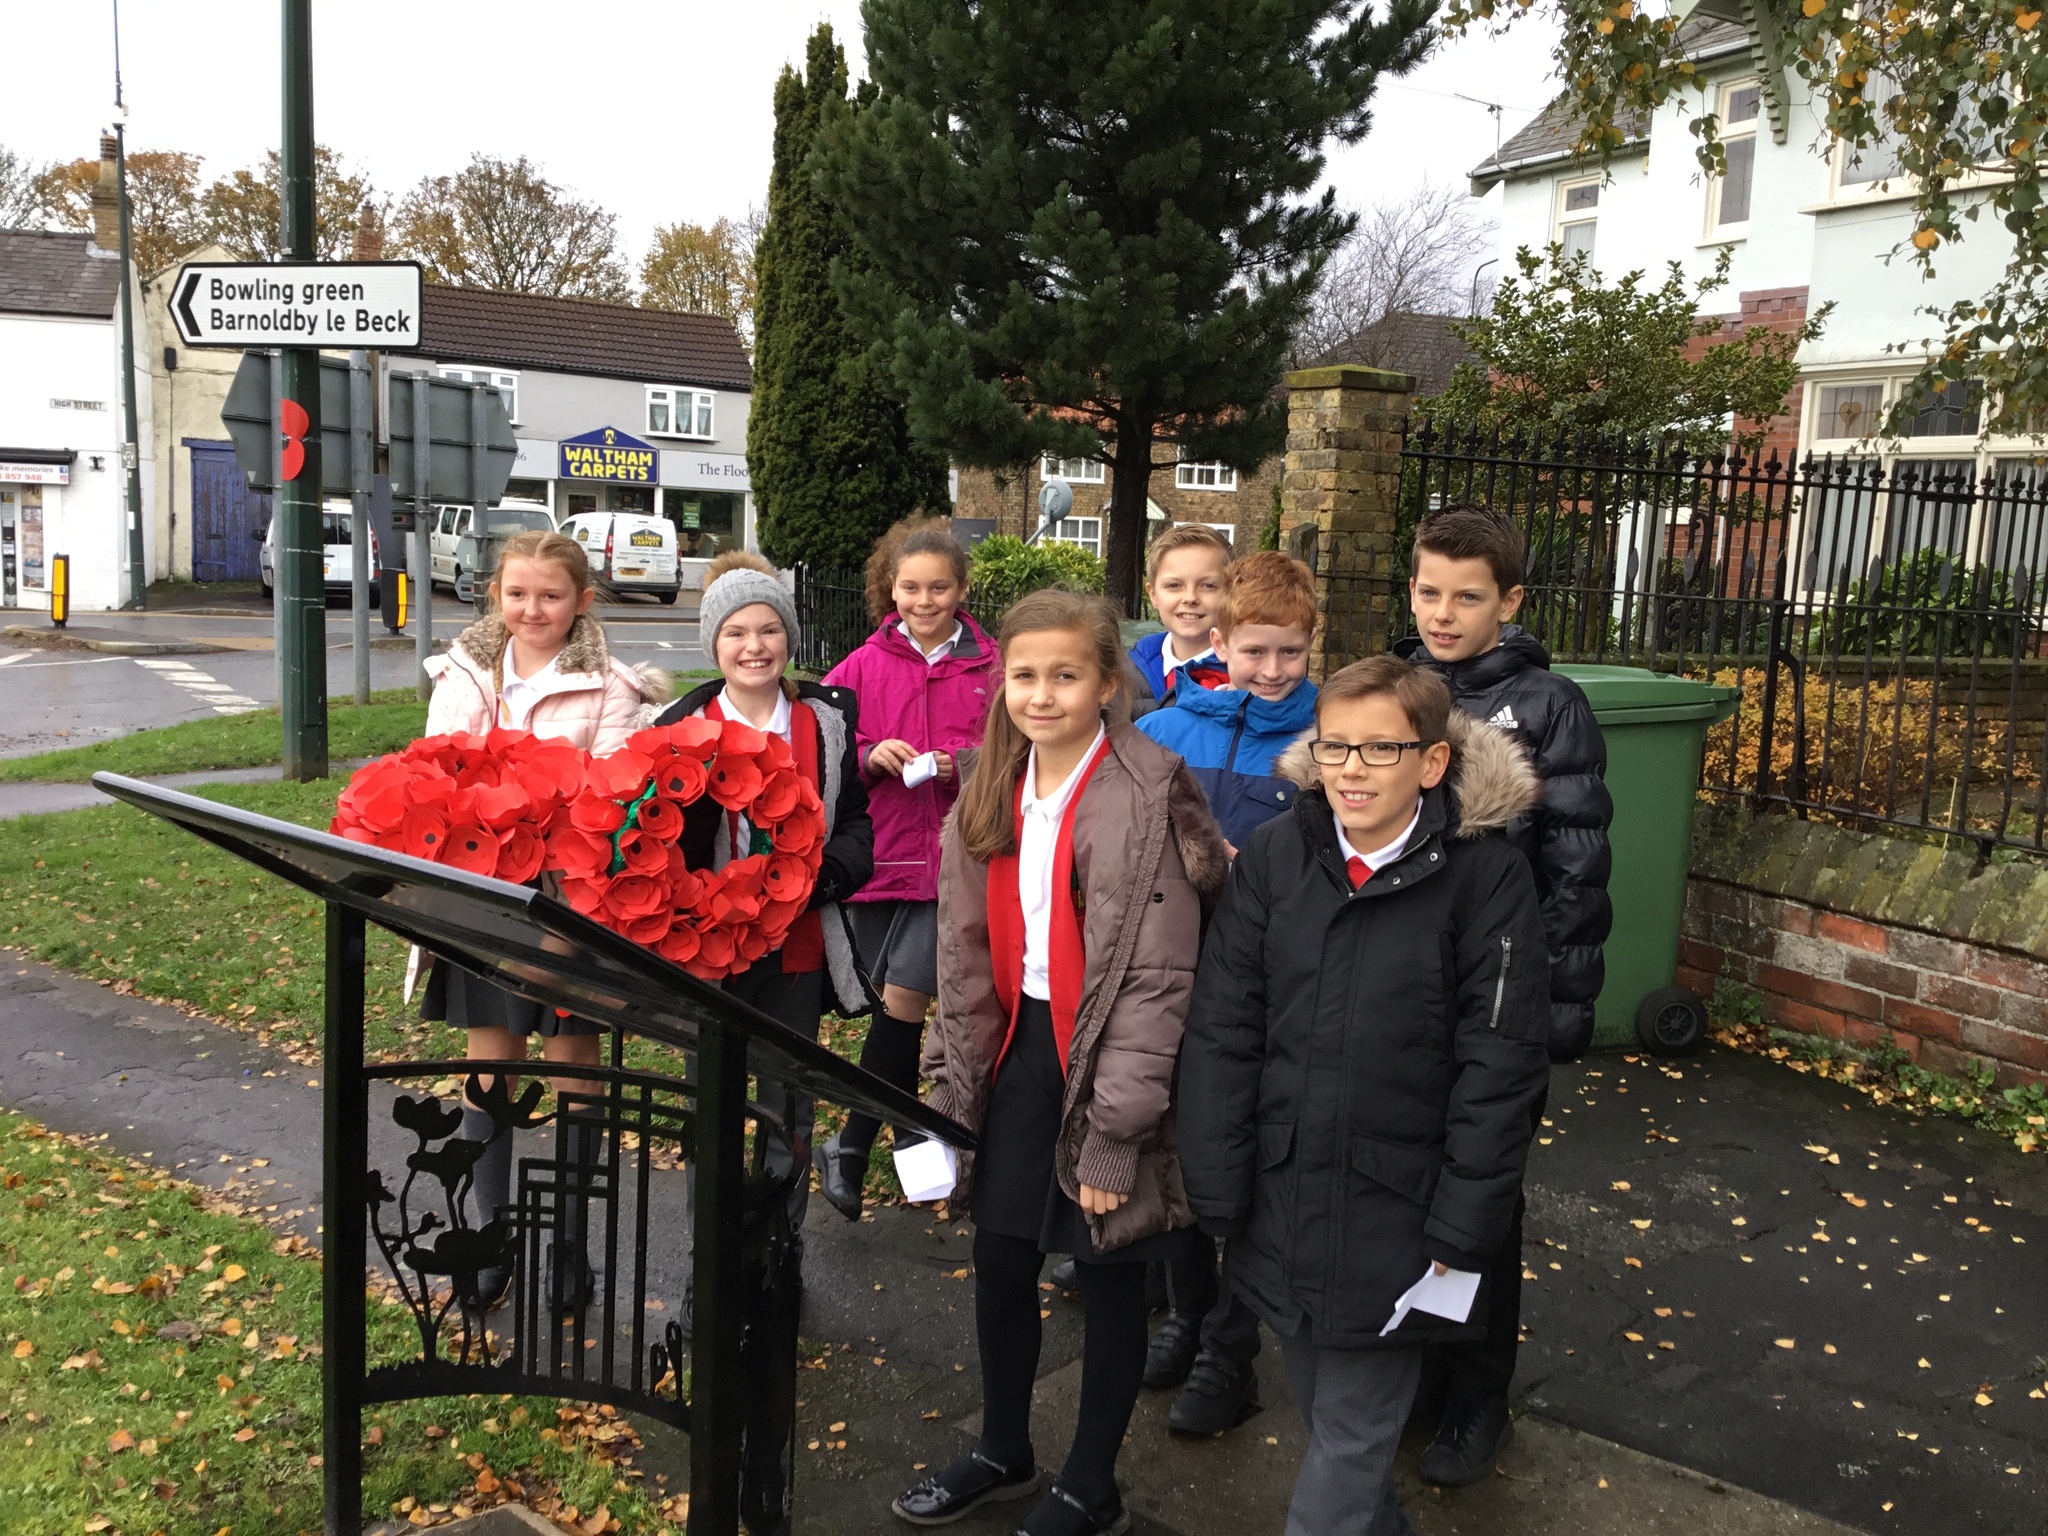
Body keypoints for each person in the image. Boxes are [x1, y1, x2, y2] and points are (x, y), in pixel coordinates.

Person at [1179, 656, 1551, 1536]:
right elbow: (1226, 1025)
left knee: (1347, 1444)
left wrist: (1464, 1225)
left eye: (1380, 749)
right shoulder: (1277, 855)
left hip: (1402, 1212)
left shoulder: (1486, 878)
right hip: (1285, 1192)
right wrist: (1218, 1178)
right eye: (1335, 746)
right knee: (1327, 1416)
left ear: (1431, 762)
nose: (1351, 768)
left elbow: (1500, 1067)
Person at [892, 588, 1229, 1536]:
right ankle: (1005, 1446)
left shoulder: (1147, 791)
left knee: (1107, 1266)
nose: (1042, 695)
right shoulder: (990, 784)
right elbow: (961, 948)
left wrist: (1117, 1134)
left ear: (1107, 682)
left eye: (1066, 676)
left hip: (1114, 1054)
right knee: (1001, 1258)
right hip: (1021, 1046)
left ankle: (1090, 1483)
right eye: (1025, 676)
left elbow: (1158, 979)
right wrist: (950, 1083)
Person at [1394, 507, 1613, 1485]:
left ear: (1510, 600)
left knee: (1480, 1195)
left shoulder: (1548, 704)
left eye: (1467, 596)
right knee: (1406, 1186)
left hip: (1496, 993)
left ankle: (1479, 1396)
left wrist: (1557, 1002)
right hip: (1403, 986)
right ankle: (1422, 1371)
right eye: (1428, 591)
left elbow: (1576, 864)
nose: (1443, 614)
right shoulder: (1395, 687)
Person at [418, 529, 670, 1311]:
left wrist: (544, 825)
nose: (534, 609)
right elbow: (436, 771)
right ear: (495, 594)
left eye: (551, 595)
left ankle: (567, 1243)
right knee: (489, 1065)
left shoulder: (612, 687)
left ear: (581, 602)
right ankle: (489, 1234)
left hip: (568, 903)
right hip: (482, 896)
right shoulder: (462, 671)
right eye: (519, 593)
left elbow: (612, 799)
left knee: (573, 1070)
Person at [1130, 550, 1318, 1431]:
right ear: (1221, 640)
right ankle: (1188, 1309)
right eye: (1255, 651)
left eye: (1291, 652)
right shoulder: (1166, 731)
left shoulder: (1328, 740)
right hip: (1176, 971)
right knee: (1171, 1144)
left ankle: (1229, 1349)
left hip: (1273, 985)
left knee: (1245, 1156)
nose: (1273, 671)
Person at [650, 550, 875, 1243]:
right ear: (714, 644)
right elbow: (651, 841)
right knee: (711, 1100)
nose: (755, 646)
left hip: (795, 945)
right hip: (708, 947)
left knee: (789, 1101)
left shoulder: (825, 723)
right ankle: (713, 1251)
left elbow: (856, 822)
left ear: (789, 637)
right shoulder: (677, 728)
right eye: (736, 633)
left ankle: (779, 1247)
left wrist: (822, 878)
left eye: (769, 629)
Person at [812, 518, 997, 1218]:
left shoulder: (993, 667)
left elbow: (1017, 751)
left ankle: (854, 1145)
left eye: (939, 587)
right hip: (882, 858)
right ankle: (903, 1145)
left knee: (907, 1001)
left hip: (957, 858)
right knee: (896, 1011)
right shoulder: (860, 665)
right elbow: (823, 740)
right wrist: (868, 754)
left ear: (962, 589)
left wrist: (963, 764)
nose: (924, 601)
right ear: (891, 589)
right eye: (911, 588)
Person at [1128, 524, 1232, 708]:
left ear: (1231, 592)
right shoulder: (1126, 670)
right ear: (1153, 594)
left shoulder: (1250, 675)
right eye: (1174, 585)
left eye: (1208, 586)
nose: (1190, 598)